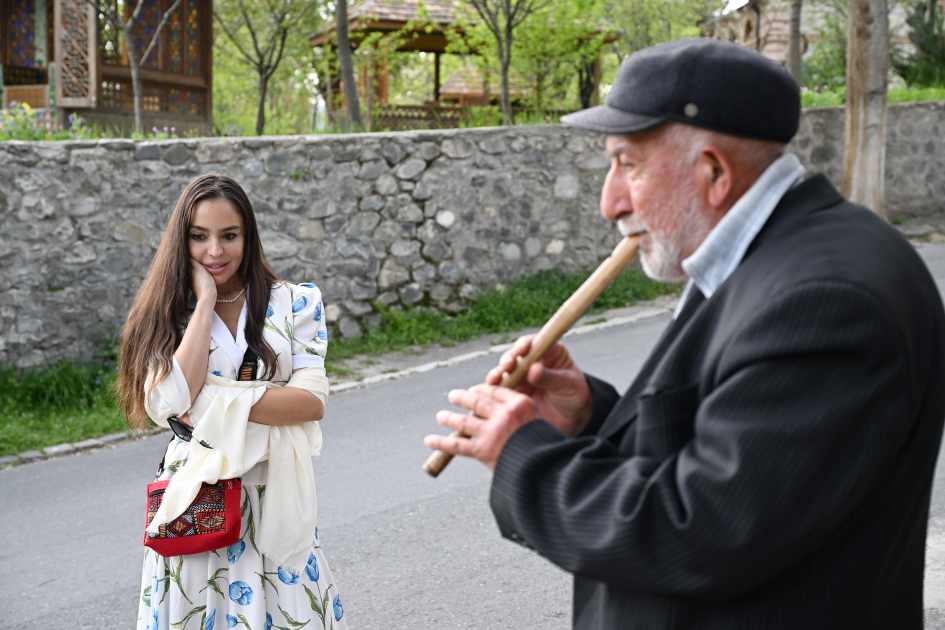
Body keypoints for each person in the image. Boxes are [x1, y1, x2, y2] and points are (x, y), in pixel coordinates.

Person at [424, 38, 945, 628]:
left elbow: (702, 531)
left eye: (628, 164)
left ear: (714, 171)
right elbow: (725, 449)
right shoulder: (764, 257)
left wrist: (525, 455)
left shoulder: (824, 301)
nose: (609, 202)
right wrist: (587, 418)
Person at [118, 174, 346, 630]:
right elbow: (168, 401)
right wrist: (203, 302)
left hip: (275, 494)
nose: (214, 252)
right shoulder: (167, 310)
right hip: (199, 498)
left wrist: (208, 403)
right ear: (181, 240)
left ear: (249, 235)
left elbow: (312, 401)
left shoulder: (296, 303)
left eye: (229, 236)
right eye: (199, 237)